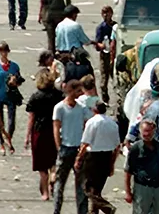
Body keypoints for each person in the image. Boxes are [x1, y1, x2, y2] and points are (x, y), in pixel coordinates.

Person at [53, 79, 93, 214]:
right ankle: (56, 209)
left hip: (79, 149)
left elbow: (89, 121)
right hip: (66, 147)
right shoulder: (59, 108)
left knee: (82, 185)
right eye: (78, 91)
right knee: (60, 183)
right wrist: (59, 147)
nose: (80, 93)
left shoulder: (81, 108)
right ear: (70, 91)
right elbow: (56, 128)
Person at [75, 100, 121, 214]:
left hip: (93, 157)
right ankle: (93, 211)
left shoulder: (92, 122)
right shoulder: (113, 123)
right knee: (97, 188)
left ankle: (106, 207)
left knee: (86, 187)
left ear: (94, 110)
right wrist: (112, 164)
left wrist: (79, 158)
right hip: (107, 156)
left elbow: (85, 143)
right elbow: (117, 146)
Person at [24, 69, 63, 200]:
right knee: (53, 159)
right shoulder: (58, 95)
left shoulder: (36, 96)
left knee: (41, 165)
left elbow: (31, 117)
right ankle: (53, 175)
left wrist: (27, 137)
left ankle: (45, 193)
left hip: (39, 131)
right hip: (54, 129)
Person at [0, 41, 22, 156]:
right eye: (1, 51)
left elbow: (19, 81)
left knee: (12, 122)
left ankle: (9, 140)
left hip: (11, 95)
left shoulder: (14, 66)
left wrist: (15, 82)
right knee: (0, 123)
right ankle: (2, 144)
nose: (4, 53)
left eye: (5, 51)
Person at [125, 118, 159, 214]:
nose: (147, 134)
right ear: (140, 131)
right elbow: (128, 171)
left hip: (158, 187)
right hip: (142, 187)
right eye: (145, 131)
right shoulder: (136, 148)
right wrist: (128, 192)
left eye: (150, 132)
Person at [96, 6, 118, 103]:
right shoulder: (101, 28)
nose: (105, 15)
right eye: (103, 13)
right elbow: (98, 43)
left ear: (111, 13)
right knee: (104, 78)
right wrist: (102, 45)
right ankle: (105, 99)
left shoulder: (116, 26)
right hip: (104, 55)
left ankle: (118, 97)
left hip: (115, 54)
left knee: (116, 77)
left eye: (107, 13)